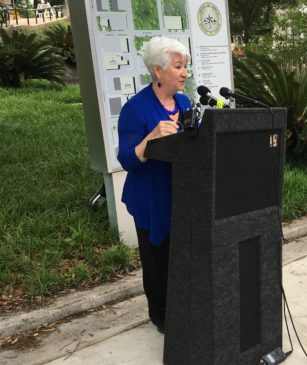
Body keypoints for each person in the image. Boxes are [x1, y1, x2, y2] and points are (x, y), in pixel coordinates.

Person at [117, 36, 192, 333]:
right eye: (178, 66)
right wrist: (151, 137)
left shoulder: (184, 102)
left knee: (182, 255)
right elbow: (127, 159)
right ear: (158, 71)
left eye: (185, 66)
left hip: (182, 193)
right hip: (150, 197)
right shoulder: (135, 109)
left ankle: (184, 306)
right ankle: (161, 316)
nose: (184, 72)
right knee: (157, 260)